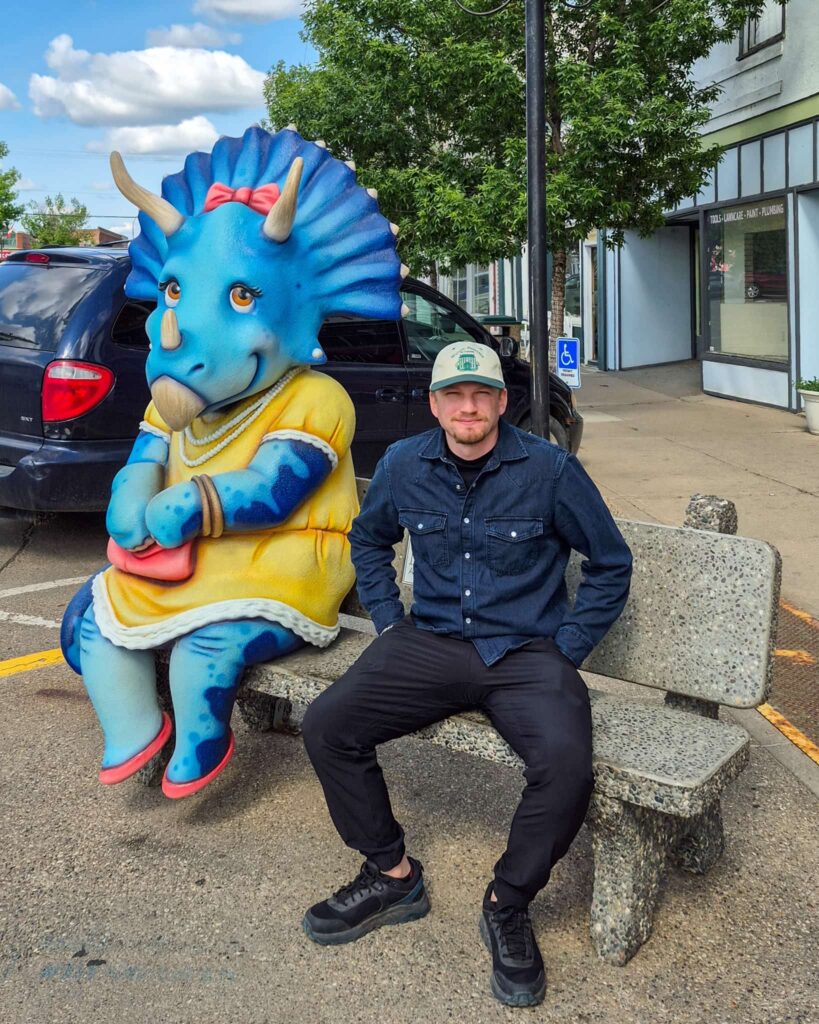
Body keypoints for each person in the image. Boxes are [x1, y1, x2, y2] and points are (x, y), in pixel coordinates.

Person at [300, 341, 633, 1007]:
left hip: (526, 653)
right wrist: (391, 619)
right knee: (327, 725)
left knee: (566, 766)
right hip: (429, 643)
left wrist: (567, 646)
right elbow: (369, 539)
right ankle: (391, 873)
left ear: (502, 402)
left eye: (481, 393)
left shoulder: (549, 471)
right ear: (434, 404)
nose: (468, 406)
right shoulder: (403, 463)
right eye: (454, 395)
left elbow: (609, 563)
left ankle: (508, 901)